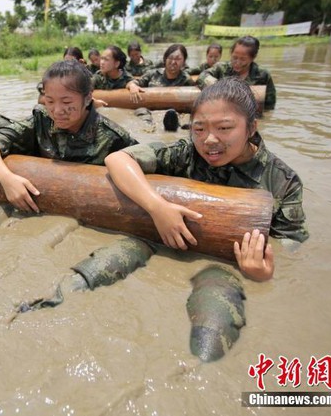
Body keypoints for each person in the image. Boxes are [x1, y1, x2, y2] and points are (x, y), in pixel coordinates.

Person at [105, 77, 308, 282]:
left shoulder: (283, 181)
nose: (209, 140)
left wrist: (262, 274)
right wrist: (157, 207)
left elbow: (291, 247)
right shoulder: (187, 153)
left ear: (251, 128)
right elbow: (117, 159)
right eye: (199, 129)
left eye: (224, 128)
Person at [0, 60, 138, 212]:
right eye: (50, 101)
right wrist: (6, 178)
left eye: (67, 102)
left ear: (88, 98)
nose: (57, 111)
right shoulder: (41, 120)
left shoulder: (114, 137)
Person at [197, 36, 277, 110]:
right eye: (234, 57)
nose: (237, 63)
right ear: (231, 54)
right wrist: (218, 86)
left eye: (243, 59)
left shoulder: (263, 75)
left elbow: (270, 106)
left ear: (253, 57)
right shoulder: (221, 68)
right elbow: (203, 75)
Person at [126, 44, 196, 103]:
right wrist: (132, 86)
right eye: (170, 58)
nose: (173, 62)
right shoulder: (152, 74)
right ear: (165, 59)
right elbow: (132, 82)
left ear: (184, 62)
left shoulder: (186, 79)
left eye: (178, 59)